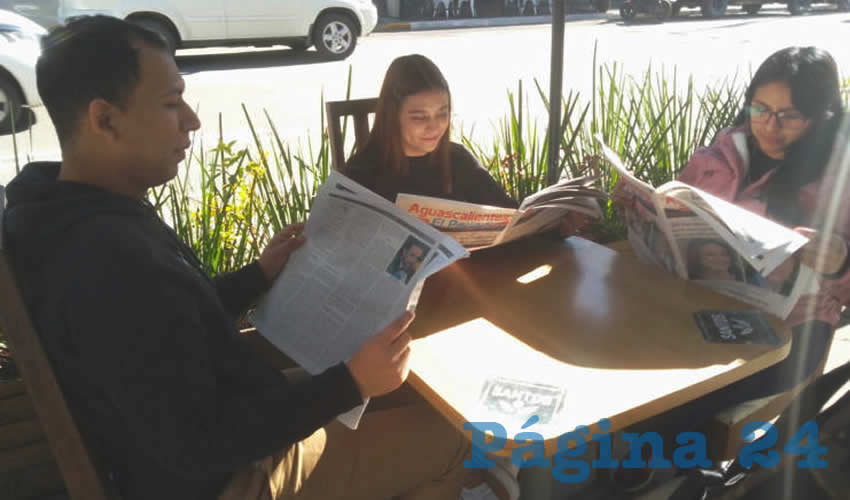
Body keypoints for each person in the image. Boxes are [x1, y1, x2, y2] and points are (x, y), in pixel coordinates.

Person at [1, 16, 481, 500]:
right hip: (231, 476)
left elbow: (169, 326)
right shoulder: (104, 260)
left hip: (230, 404)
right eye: (171, 104)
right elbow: (198, 443)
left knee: (410, 393)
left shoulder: (66, 209)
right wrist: (350, 384)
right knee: (459, 438)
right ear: (104, 119)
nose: (192, 119)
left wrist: (257, 275)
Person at [611, 46, 850, 491]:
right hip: (706, 299)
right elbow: (677, 219)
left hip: (794, 327)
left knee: (689, 391)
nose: (769, 125)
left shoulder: (841, 176)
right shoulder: (721, 154)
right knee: (632, 352)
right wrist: (642, 211)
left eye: (789, 115)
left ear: (822, 116)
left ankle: (671, 462)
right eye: (760, 108)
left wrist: (840, 263)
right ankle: (680, 461)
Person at [343, 53, 590, 239]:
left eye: (443, 113)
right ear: (392, 115)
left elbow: (510, 218)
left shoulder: (457, 159)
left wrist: (556, 226)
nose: (435, 126)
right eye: (419, 117)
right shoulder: (363, 171)